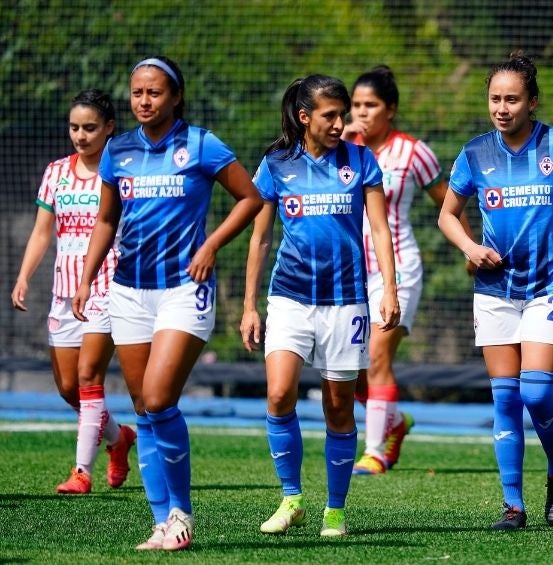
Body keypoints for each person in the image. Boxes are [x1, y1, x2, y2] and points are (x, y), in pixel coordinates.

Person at [72, 56, 263, 550]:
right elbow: (106, 221)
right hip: (129, 290)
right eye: (137, 93)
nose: (144, 100)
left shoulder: (201, 143)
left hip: (184, 287)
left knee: (158, 399)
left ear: (175, 96)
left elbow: (249, 199)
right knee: (142, 407)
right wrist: (87, 277)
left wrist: (211, 245)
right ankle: (164, 523)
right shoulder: (118, 150)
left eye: (154, 92)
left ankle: (182, 513)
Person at [438, 53, 553, 530]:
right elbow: (447, 213)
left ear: (533, 101)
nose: (502, 108)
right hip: (495, 288)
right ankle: (513, 505)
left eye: (512, 99)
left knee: (537, 393)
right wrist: (469, 246)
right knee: (505, 399)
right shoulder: (475, 153)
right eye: (495, 98)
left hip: (549, 284)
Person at [240, 74, 399, 538]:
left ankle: (335, 510)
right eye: (330, 115)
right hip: (289, 296)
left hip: (347, 301)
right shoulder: (275, 163)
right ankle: (291, 498)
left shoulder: (361, 160)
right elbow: (261, 237)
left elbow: (380, 228)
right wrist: (251, 305)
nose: (340, 123)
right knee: (278, 394)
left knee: (338, 408)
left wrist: (388, 288)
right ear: (305, 117)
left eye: (342, 114)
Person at [341, 65, 473, 476]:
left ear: (391, 109)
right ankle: (394, 422)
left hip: (397, 268)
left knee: (378, 356)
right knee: (350, 370)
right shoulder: (339, 148)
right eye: (356, 105)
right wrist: (338, 148)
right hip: (346, 271)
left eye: (371, 105)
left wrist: (470, 247)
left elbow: (447, 202)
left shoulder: (413, 153)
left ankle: (376, 450)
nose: (362, 113)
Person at [11, 89, 136, 494]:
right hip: (64, 291)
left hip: (106, 286)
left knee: (88, 378)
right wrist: (24, 276)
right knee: (69, 388)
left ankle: (81, 472)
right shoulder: (56, 172)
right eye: (74, 127)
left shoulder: (120, 174)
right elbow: (42, 231)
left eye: (90, 128)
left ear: (109, 129)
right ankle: (119, 439)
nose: (80, 136)